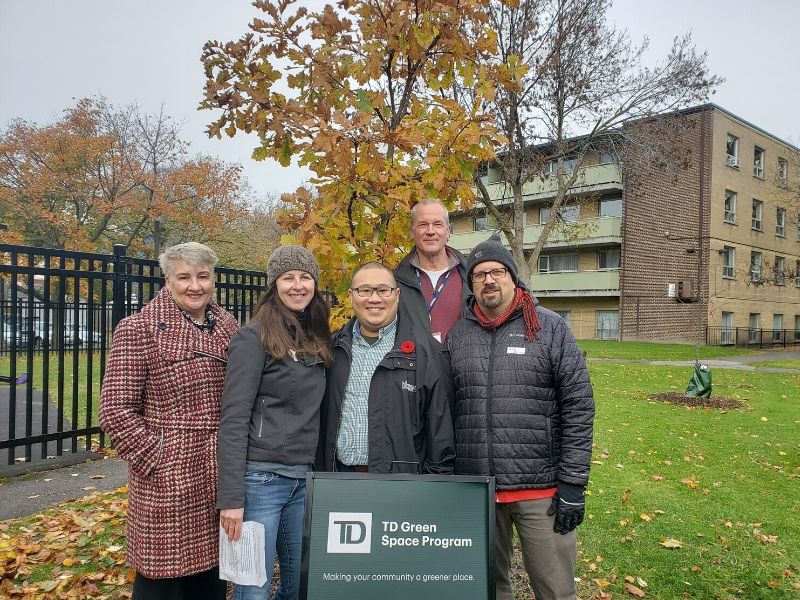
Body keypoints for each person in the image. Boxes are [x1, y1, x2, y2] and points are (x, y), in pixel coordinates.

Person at [445, 234, 595, 600]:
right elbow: (445, 408)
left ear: (514, 278)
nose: (489, 280)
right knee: (487, 590)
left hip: (540, 490)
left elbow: (578, 404)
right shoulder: (458, 335)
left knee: (555, 589)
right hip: (478, 490)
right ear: (471, 284)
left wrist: (573, 482)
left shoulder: (548, 328)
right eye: (479, 275)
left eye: (497, 271)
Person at [99, 242, 239, 600]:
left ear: (213, 280)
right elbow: (115, 410)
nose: (195, 286)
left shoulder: (228, 325)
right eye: (185, 277)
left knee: (210, 577)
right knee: (161, 580)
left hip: (218, 470)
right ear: (168, 280)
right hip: (168, 477)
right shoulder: (139, 329)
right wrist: (159, 459)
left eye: (203, 276)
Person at [217, 245, 332, 600]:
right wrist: (231, 499)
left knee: (301, 584)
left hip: (304, 480)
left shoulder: (315, 337)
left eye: (305, 277)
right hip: (260, 481)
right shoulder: (253, 338)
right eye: (288, 278)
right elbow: (234, 418)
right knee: (254, 587)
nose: (298, 285)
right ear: (274, 285)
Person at [318, 262, 455, 475]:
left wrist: (431, 490)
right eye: (365, 291)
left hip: (400, 485)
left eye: (383, 290)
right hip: (339, 480)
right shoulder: (331, 351)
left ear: (397, 295)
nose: (374, 299)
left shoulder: (429, 354)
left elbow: (441, 434)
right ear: (351, 296)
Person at [394, 198, 469, 343]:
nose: (430, 231)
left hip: (459, 363)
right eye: (423, 225)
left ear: (448, 231)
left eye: (437, 224)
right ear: (412, 232)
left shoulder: (471, 277)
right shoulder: (394, 281)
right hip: (414, 363)